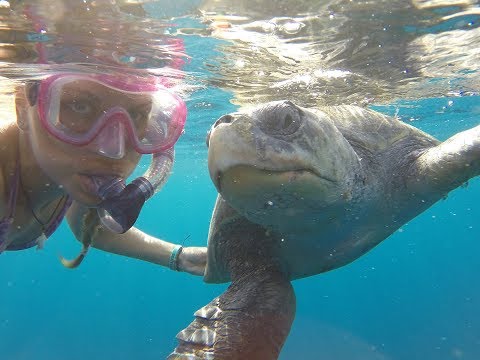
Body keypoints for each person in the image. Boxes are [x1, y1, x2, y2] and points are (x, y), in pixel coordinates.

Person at [0, 71, 206, 275]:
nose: (114, 151)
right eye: (79, 106)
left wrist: (179, 257)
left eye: (137, 113)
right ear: (22, 108)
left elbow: (89, 228)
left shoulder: (68, 170)